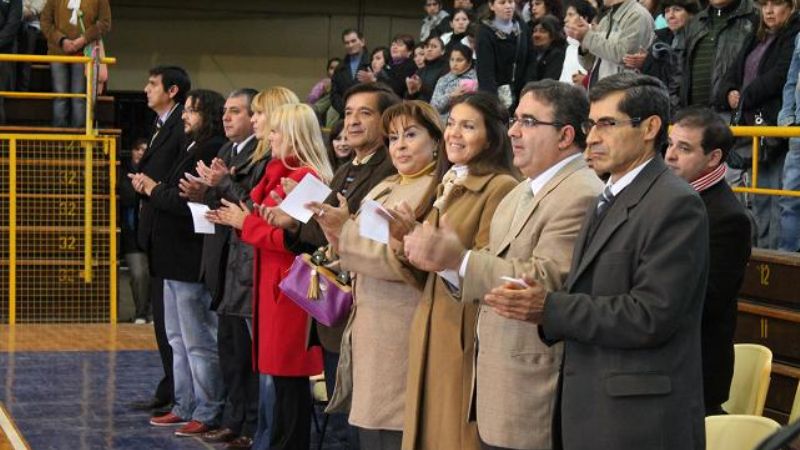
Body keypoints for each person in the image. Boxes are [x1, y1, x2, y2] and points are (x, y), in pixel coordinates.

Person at [484, 73, 708, 450]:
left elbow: (651, 315)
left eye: (608, 124)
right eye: (591, 124)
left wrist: (549, 307)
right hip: (590, 411)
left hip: (638, 423)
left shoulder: (675, 203)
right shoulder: (609, 194)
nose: (594, 137)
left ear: (650, 127)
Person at [403, 80, 603, 450]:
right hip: (498, 384)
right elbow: (487, 272)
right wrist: (446, 264)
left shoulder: (581, 192)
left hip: (533, 388)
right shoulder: (520, 192)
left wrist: (457, 259)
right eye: (515, 119)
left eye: (528, 121)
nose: (513, 130)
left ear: (565, 136)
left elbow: (545, 281)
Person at [266, 82, 401, 449]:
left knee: (361, 421)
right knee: (341, 412)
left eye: (365, 113)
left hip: (365, 307)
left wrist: (329, 226)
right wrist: (293, 223)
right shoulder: (344, 170)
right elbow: (320, 231)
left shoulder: (390, 170)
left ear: (386, 122)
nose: (353, 121)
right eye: (350, 112)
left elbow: (370, 236)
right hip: (333, 314)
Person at [309, 100, 447, 450]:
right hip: (366, 325)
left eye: (410, 135)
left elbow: (405, 262)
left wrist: (347, 236)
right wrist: (334, 238)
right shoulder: (384, 186)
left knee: (395, 432)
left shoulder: (438, 190)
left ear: (436, 142)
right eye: (393, 137)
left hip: (403, 324)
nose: (399, 145)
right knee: (367, 431)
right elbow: (359, 249)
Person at [209, 102, 333, 450]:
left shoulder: (306, 177)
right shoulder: (278, 171)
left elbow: (290, 240)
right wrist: (241, 219)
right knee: (278, 379)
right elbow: (260, 218)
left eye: (277, 131)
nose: (271, 138)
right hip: (270, 284)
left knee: (289, 380)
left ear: (294, 135)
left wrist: (243, 222)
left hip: (290, 288)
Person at [400, 92, 518, 450]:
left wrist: (446, 262)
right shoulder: (449, 183)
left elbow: (487, 269)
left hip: (463, 330)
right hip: (432, 326)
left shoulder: (500, 187)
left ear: (492, 137)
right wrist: (403, 241)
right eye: (451, 123)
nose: (454, 133)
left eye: (468, 126)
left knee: (453, 437)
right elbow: (427, 273)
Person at [132, 89, 227, 437]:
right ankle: (184, 403)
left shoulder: (210, 146)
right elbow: (175, 193)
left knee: (198, 341)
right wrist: (160, 190)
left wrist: (154, 189)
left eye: (192, 111)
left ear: (209, 115)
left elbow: (182, 201)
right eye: (185, 110)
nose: (185, 116)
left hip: (189, 257)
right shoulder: (190, 146)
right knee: (177, 338)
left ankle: (207, 407)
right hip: (171, 258)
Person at [184, 88, 263, 449]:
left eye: (236, 111)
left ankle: (249, 422)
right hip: (222, 257)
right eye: (226, 111)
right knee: (229, 349)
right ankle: (233, 418)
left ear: (254, 116)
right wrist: (203, 192)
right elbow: (220, 200)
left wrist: (219, 185)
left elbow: (247, 204)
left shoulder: (261, 154)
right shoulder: (225, 151)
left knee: (245, 354)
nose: (227, 117)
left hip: (246, 263)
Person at [665, 106, 752, 416]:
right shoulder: (670, 196)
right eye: (671, 143)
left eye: (684, 148)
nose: (670, 155)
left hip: (693, 373)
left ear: (713, 158)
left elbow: (707, 300)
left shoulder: (728, 218)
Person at [133, 65, 191, 416]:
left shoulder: (179, 125)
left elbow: (172, 176)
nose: (145, 89)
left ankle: (176, 392)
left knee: (180, 332)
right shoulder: (159, 127)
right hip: (156, 229)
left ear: (171, 90)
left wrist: (151, 186)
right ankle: (170, 386)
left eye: (152, 84)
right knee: (167, 326)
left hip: (173, 233)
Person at [720, 0, 800, 249]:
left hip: (771, 129)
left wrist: (743, 96)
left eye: (776, 4)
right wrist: (729, 91)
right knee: (760, 197)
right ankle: (763, 254)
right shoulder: (757, 35)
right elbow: (734, 70)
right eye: (764, 4)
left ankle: (775, 262)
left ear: (792, 7)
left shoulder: (792, 34)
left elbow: (780, 76)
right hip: (750, 127)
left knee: (778, 198)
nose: (768, 10)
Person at [40, 0, 110, 128]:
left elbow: (105, 23)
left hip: (84, 53)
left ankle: (79, 142)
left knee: (79, 97)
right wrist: (61, 40)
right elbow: (45, 21)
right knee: (60, 95)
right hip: (58, 52)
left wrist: (84, 39)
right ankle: (60, 142)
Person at [622, 0, 700, 109]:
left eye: (677, 10)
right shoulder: (659, 40)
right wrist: (647, 62)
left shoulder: (701, 39)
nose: (670, 16)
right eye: (667, 11)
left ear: (692, 14)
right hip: (665, 106)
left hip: (693, 106)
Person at [680, 0, 757, 109]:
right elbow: (679, 70)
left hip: (735, 114)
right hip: (693, 115)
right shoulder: (696, 22)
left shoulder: (755, 17)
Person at [565, 0, 654, 87]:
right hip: (600, 91)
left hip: (622, 93)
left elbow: (624, 56)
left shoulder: (637, 15)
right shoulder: (605, 20)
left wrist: (587, 36)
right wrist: (582, 41)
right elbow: (589, 65)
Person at [476, 0, 530, 109]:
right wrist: (493, 104)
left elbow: (530, 60)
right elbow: (485, 73)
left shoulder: (522, 27)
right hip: (497, 95)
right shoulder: (485, 32)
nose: (508, 6)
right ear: (491, 6)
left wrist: (528, 90)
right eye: (502, 3)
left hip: (522, 91)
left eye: (510, 2)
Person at [119, 138, 150, 324]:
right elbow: (128, 195)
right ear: (132, 151)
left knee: (153, 276)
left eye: (145, 150)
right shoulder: (123, 173)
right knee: (139, 274)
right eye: (138, 149)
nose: (141, 153)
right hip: (132, 236)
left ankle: (150, 313)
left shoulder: (154, 170)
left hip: (150, 234)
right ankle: (140, 314)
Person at [431, 43, 478, 121]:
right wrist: (451, 96)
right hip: (444, 124)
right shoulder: (443, 79)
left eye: (459, 60)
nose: (454, 64)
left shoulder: (476, 79)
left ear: (469, 62)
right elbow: (433, 107)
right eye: (452, 60)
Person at [331, 28, 370, 115]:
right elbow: (334, 95)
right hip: (346, 113)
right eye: (347, 43)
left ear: (362, 41)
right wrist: (346, 109)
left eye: (353, 41)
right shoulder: (339, 68)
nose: (350, 45)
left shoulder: (372, 63)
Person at [560, 0, 596, 83]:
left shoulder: (595, 42)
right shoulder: (570, 47)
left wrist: (586, 80)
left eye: (571, 15)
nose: (565, 19)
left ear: (584, 18)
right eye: (566, 15)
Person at [524, 15, 568, 82]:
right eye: (535, 31)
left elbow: (549, 83)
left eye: (542, 31)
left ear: (553, 36)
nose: (536, 35)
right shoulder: (531, 54)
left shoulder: (558, 55)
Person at [407, 35, 449, 101]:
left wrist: (421, 87)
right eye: (427, 47)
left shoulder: (446, 69)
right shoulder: (420, 71)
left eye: (434, 46)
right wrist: (411, 92)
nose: (429, 49)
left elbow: (442, 97)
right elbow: (412, 98)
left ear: (443, 51)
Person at [307, 57, 342, 127]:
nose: (334, 71)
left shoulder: (346, 83)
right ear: (327, 71)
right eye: (331, 68)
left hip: (338, 107)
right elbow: (311, 99)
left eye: (337, 68)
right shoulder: (324, 83)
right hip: (320, 108)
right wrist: (323, 90)